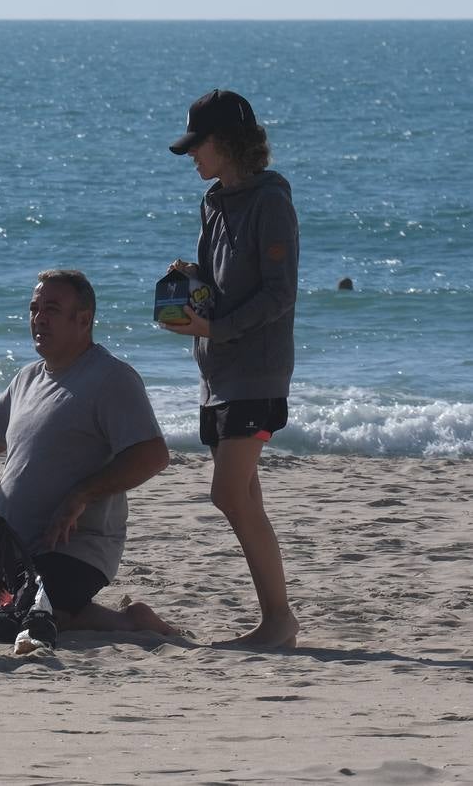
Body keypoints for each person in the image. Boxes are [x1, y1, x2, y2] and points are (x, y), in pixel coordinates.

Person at [0, 270, 177, 638]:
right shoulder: (27, 377)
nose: (39, 318)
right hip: (13, 548)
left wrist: (81, 494)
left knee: (25, 614)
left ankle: (130, 622)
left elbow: (152, 455)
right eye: (34, 308)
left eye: (52, 309)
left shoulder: (110, 378)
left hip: (74, 550)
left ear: (83, 319)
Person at [164, 88, 300, 649]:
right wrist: (190, 277)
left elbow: (279, 294)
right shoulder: (214, 200)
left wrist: (216, 328)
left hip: (257, 373)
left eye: (199, 146)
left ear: (224, 142)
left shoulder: (272, 201)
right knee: (245, 496)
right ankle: (276, 619)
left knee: (228, 495)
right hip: (216, 372)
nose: (193, 157)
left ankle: (279, 620)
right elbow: (220, 282)